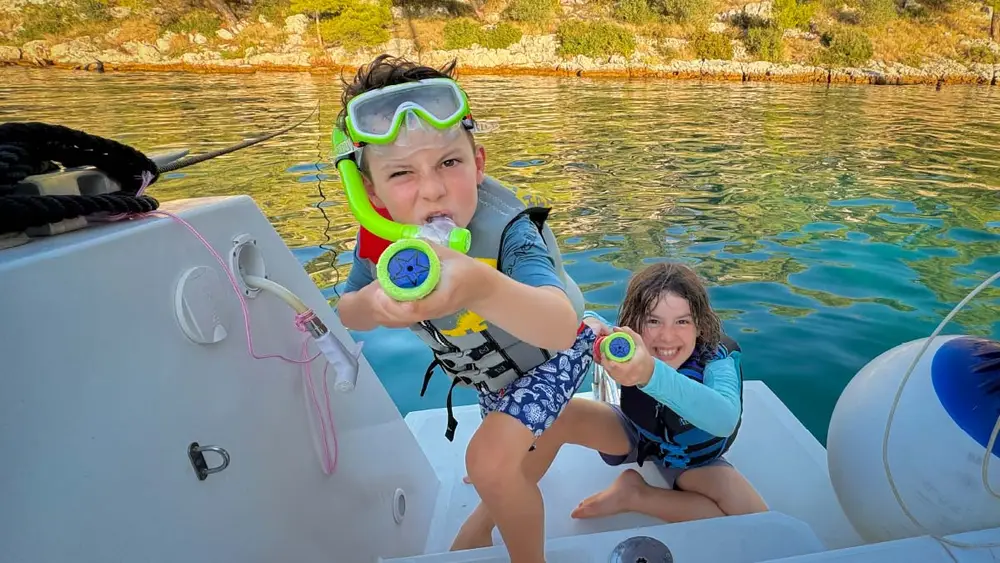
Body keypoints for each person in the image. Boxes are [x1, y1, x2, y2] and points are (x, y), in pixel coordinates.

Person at [334, 54, 597, 563]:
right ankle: (614, 439)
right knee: (511, 460)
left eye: (449, 163)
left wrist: (480, 285)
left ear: (477, 164)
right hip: (495, 374)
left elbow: (561, 325)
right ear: (371, 191)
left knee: (490, 462)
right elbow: (345, 311)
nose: (433, 189)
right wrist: (371, 305)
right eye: (402, 173)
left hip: (556, 355)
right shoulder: (382, 247)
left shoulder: (510, 231)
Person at [453, 262, 768, 545]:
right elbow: (581, 319)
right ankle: (482, 520)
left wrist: (649, 373)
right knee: (558, 416)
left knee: (758, 522)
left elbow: (724, 417)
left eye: (682, 322)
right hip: (637, 435)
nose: (667, 337)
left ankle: (637, 495)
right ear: (634, 323)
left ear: (700, 324)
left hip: (694, 462)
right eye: (653, 321)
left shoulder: (717, 359)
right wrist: (589, 325)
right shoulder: (626, 344)